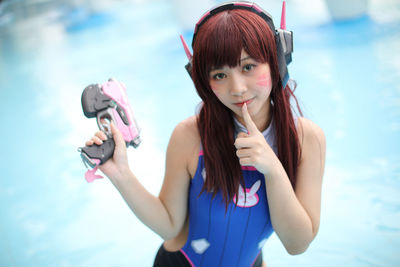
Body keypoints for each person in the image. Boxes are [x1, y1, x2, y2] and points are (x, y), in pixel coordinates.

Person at [85, 1, 326, 266]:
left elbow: (297, 244)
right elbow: (169, 225)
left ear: (277, 61)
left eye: (248, 67)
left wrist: (273, 169)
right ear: (203, 82)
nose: (237, 88)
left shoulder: (306, 139)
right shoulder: (190, 136)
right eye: (220, 75)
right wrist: (121, 174)